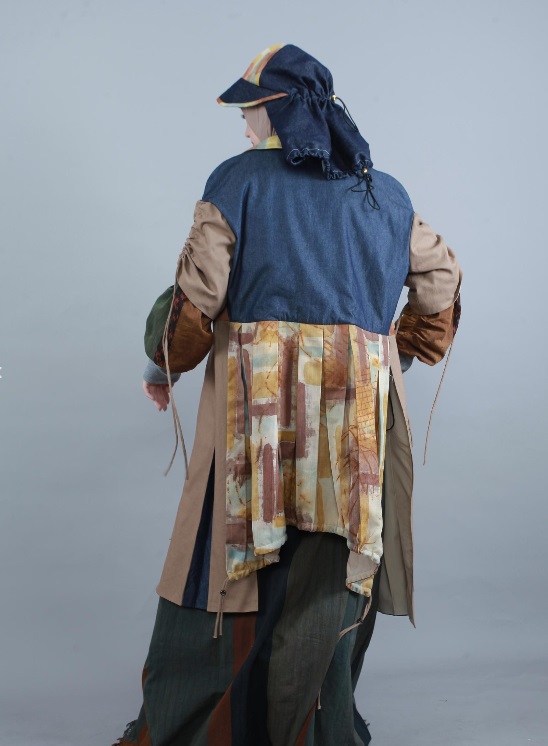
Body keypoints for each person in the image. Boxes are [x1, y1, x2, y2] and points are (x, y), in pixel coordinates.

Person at [112, 43, 462, 746]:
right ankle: (312, 733)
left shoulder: (237, 181)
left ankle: (207, 730)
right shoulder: (385, 194)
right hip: (353, 424)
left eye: (249, 111)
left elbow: (197, 297)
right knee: (328, 579)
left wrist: (160, 365)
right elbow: (440, 282)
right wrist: (389, 360)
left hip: (257, 417)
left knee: (225, 573)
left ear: (274, 111)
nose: (243, 126)